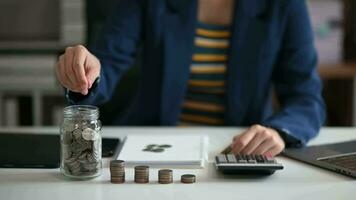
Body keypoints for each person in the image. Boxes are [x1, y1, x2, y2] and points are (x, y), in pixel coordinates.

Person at [55, 0, 325, 156]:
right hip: (155, 149)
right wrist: (87, 70)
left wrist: (278, 131)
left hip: (236, 152)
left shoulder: (284, 4)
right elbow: (109, 61)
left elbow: (306, 96)